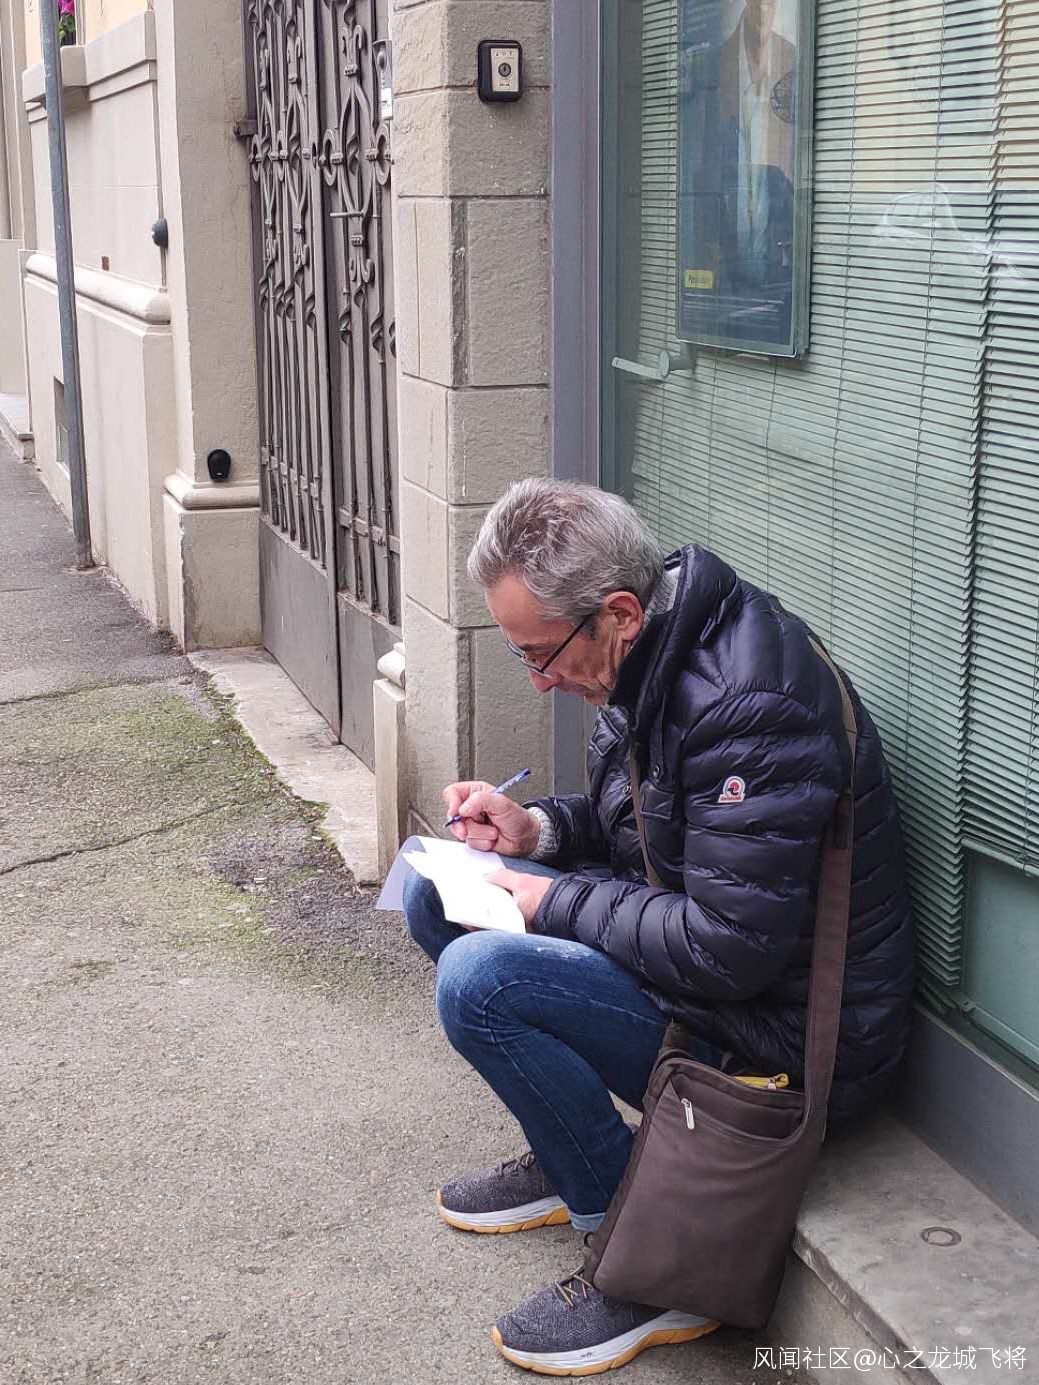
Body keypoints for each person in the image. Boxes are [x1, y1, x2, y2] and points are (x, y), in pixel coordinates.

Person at [402, 479, 916, 1376]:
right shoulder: (651, 653)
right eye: (522, 655)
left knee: (481, 980)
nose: (539, 680)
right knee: (432, 893)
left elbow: (726, 948)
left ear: (620, 613)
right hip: (710, 979)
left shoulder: (749, 704)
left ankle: (645, 1259)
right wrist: (534, 832)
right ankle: (570, 1146)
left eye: (541, 654)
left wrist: (550, 901)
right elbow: (643, 830)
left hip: (785, 1045)